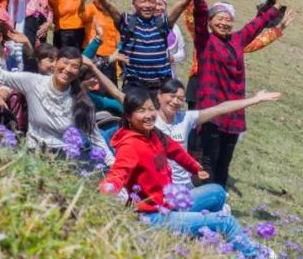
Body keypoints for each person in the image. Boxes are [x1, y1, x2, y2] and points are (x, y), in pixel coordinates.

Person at [100, 88, 263, 257]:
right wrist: (105, 192)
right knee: (226, 221)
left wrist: (194, 167)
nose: (148, 115)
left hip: (170, 204)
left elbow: (175, 149)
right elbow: (117, 174)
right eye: (141, 111)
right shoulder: (130, 146)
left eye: (150, 109)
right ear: (128, 117)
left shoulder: (153, 134)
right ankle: (255, 255)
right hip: (154, 217)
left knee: (218, 192)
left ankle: (202, 242)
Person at [189, 0, 296, 188]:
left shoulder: (237, 40)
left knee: (225, 163)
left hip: (234, 113)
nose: (225, 23)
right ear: (210, 23)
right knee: (209, 160)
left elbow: (255, 26)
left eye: (228, 20)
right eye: (220, 19)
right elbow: (198, 14)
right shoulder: (205, 41)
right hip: (212, 110)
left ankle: (218, 202)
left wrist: (275, 9)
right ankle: (202, 201)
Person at [0, 21, 113, 163]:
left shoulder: (81, 101)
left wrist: (115, 172)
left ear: (78, 72)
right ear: (56, 62)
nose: (68, 69)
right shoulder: (34, 82)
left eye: (74, 66)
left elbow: (96, 138)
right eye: (65, 62)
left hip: (64, 161)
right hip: (35, 156)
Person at [87, 0, 193, 91]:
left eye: (151, 1)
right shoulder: (126, 22)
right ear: (134, 4)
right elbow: (106, 3)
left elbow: (182, 4)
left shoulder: (163, 23)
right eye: (143, 1)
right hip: (134, 88)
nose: (147, 5)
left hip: (160, 89)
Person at [155, 78, 281, 189]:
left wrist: (255, 99)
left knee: (218, 193)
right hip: (163, 187)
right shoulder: (149, 122)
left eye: (180, 99)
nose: (176, 101)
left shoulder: (185, 118)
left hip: (186, 186)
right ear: (159, 95)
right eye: (172, 96)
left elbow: (221, 108)